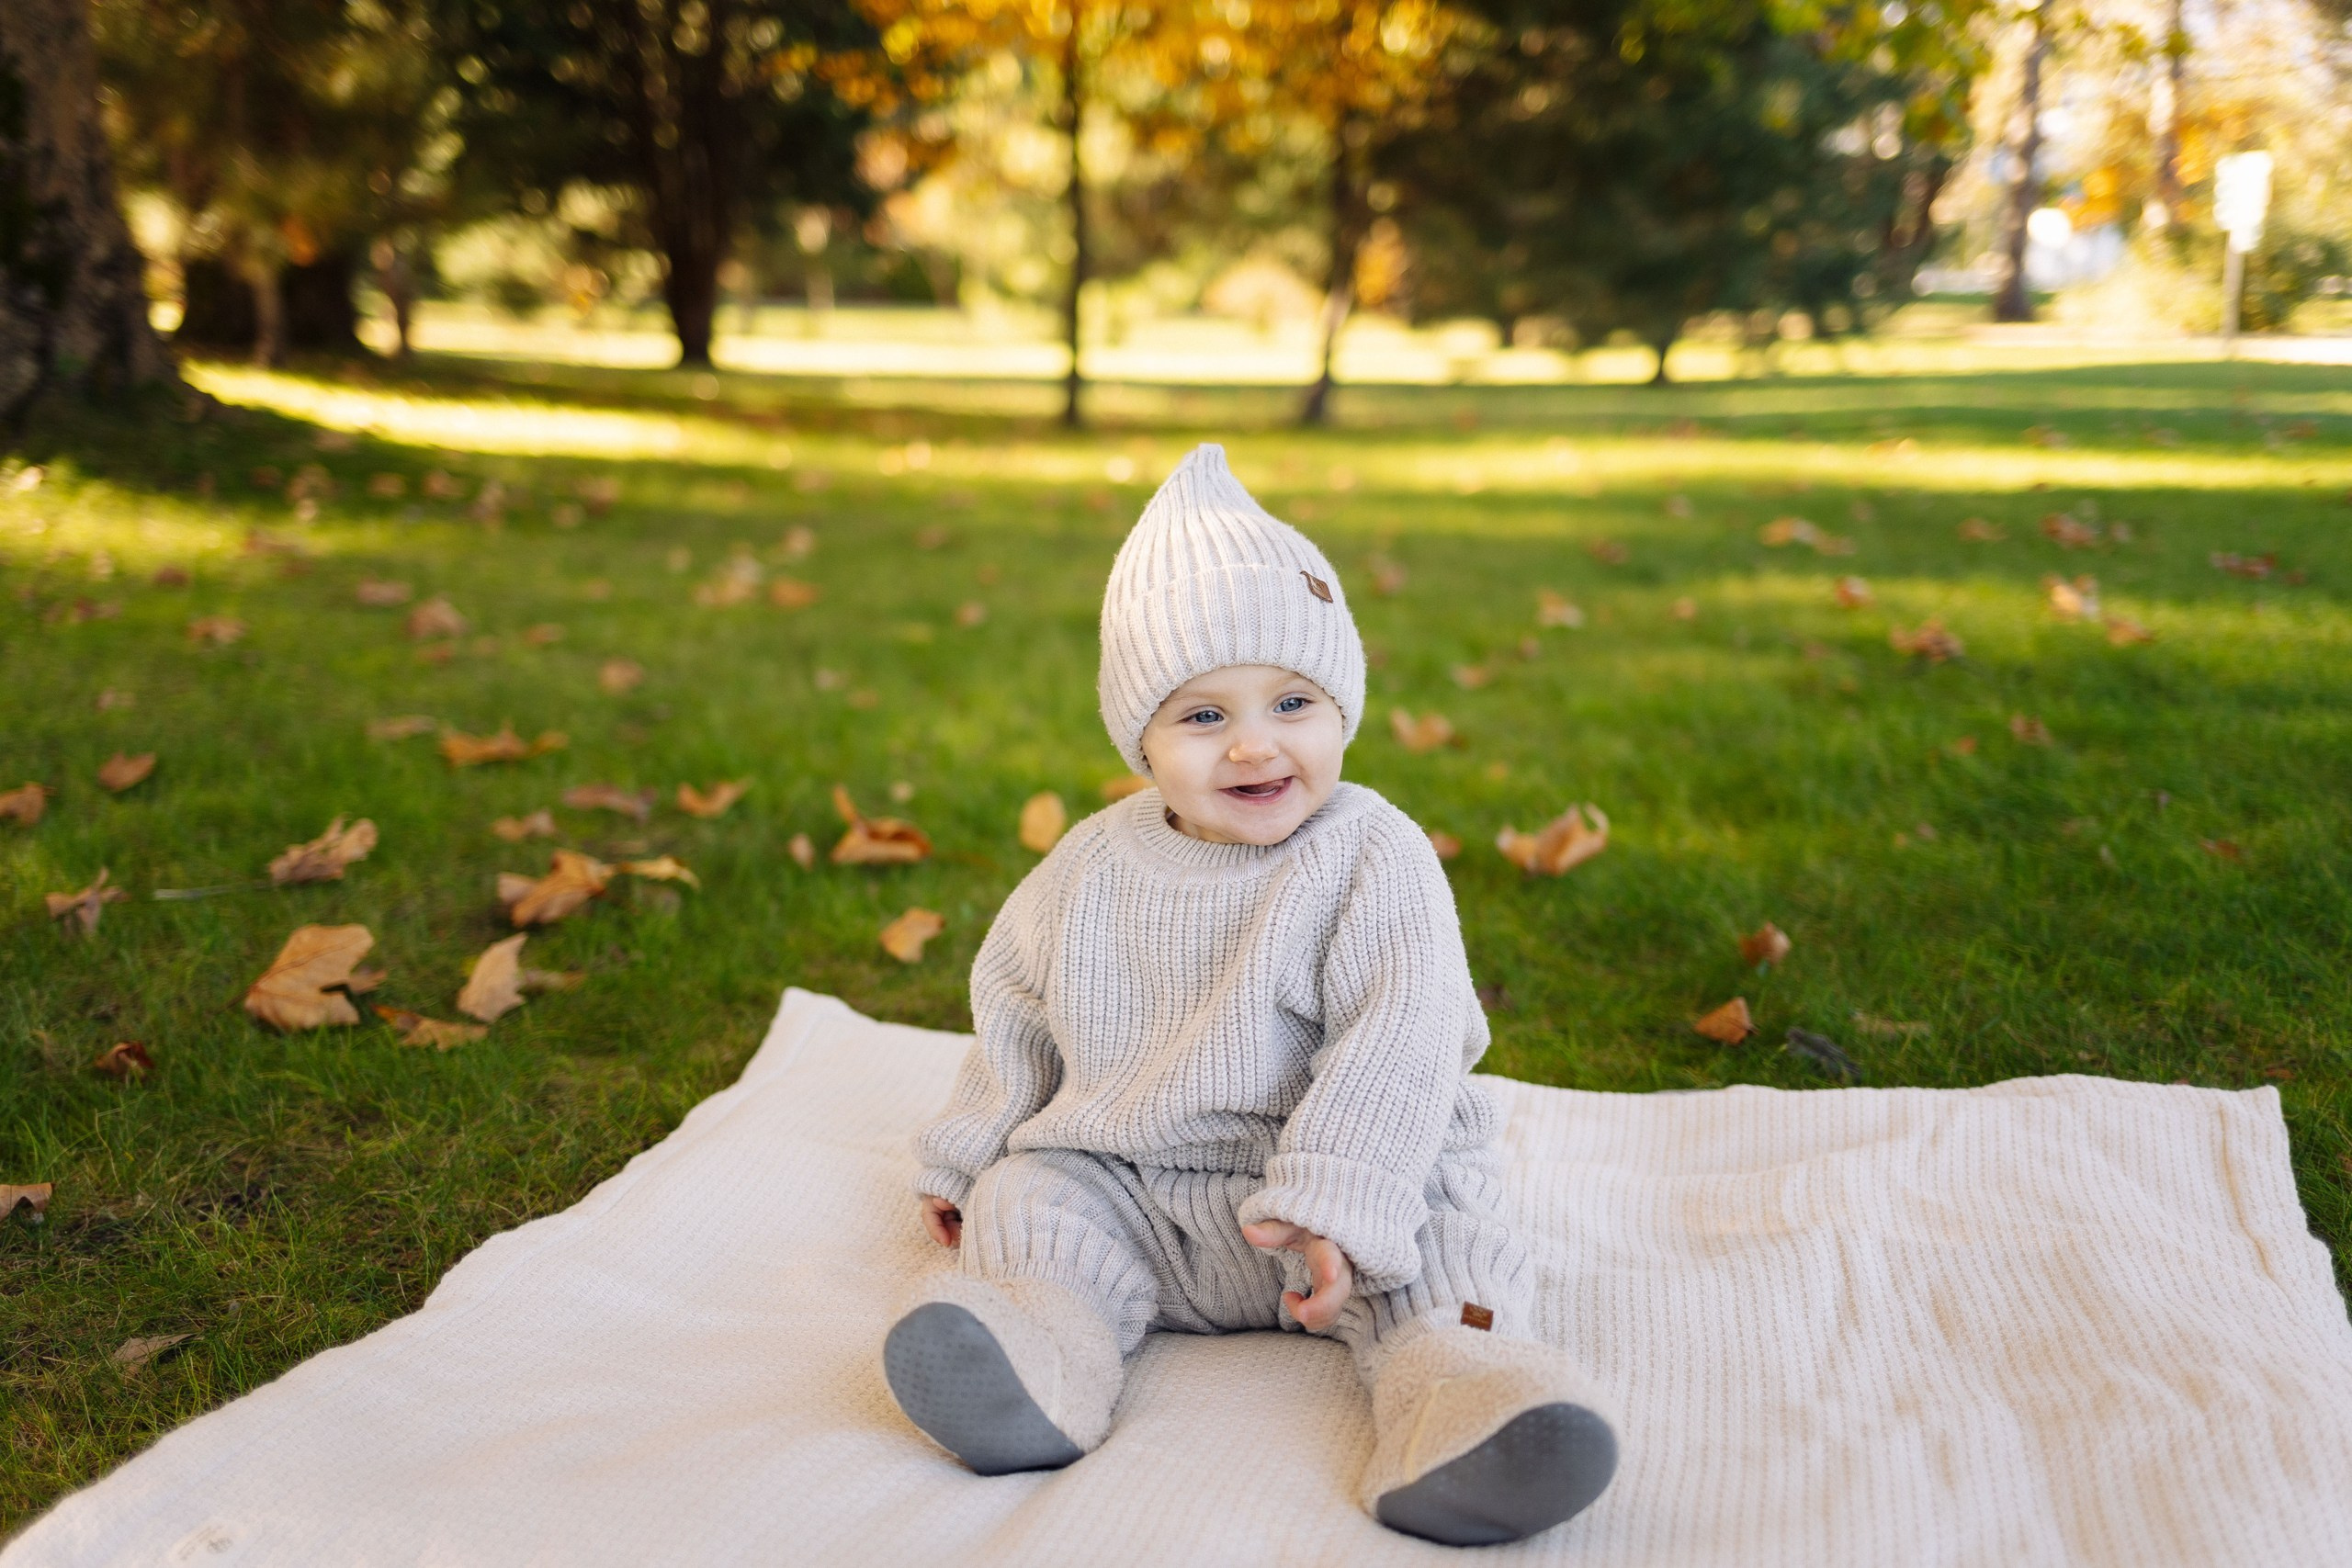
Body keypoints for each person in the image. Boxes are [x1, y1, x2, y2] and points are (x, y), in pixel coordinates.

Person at [880, 444, 1618, 1546]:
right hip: (1136, 1189)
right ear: (1139, 740)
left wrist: (1335, 1202)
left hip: (1339, 1198)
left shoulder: (1372, 852)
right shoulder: (1087, 865)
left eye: (1290, 700)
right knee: (1035, 1206)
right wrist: (968, 1150)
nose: (1256, 744)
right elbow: (1016, 1015)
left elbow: (1401, 1036)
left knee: (1441, 1243)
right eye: (1203, 716)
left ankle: (1462, 1396)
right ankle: (1039, 1351)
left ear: (1342, 706)